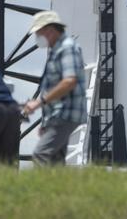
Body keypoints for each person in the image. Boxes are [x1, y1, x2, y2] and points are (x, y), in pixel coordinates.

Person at [21, 10, 87, 165]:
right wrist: (47, 123)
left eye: (38, 33)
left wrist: (39, 102)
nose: (37, 37)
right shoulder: (57, 50)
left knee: (41, 154)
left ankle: (42, 182)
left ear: (49, 30)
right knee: (55, 160)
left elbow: (69, 81)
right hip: (59, 115)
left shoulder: (67, 48)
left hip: (65, 113)